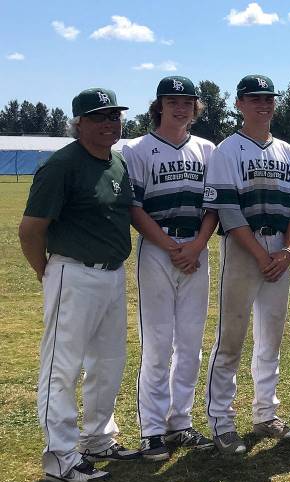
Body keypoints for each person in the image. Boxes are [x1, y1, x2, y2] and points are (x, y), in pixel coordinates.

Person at [20, 87, 139, 482]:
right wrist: (47, 272)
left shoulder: (117, 162)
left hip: (112, 274)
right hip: (73, 271)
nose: (110, 123)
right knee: (62, 366)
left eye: (114, 116)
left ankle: (97, 438)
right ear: (79, 123)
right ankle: (59, 456)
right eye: (99, 117)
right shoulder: (62, 165)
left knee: (109, 362)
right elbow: (31, 230)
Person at [203, 74, 290, 454]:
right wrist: (263, 254)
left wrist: (288, 251)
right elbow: (227, 209)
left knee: (272, 337)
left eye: (268, 98)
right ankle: (222, 420)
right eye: (254, 98)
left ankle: (265, 413)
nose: (263, 104)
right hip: (243, 248)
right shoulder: (227, 150)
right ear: (239, 104)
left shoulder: (289, 152)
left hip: (280, 247)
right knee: (231, 337)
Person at [122, 76, 217, 460]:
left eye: (187, 101)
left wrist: (195, 246)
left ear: (196, 107)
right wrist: (171, 247)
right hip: (158, 250)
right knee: (158, 343)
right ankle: (152, 429)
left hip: (197, 248)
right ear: (158, 104)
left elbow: (214, 206)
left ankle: (181, 421)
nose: (180, 107)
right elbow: (134, 208)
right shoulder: (137, 149)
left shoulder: (207, 149)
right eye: (172, 100)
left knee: (191, 343)